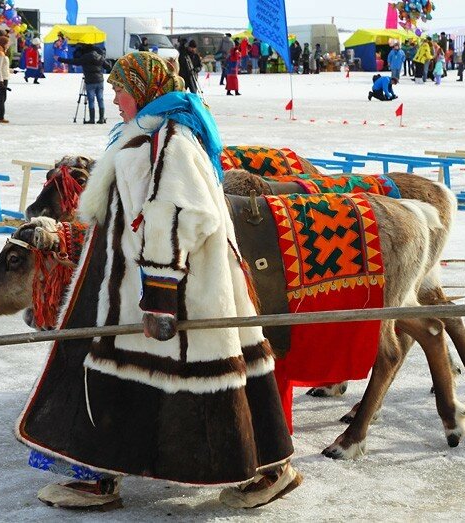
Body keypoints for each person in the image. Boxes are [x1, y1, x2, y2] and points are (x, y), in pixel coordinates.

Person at [17, 51, 300, 511]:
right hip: (132, 286)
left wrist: (160, 297)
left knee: (185, 373)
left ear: (143, 88)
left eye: (120, 88)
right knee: (128, 372)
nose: (113, 98)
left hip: (167, 290)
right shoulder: (149, 133)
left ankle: (269, 471)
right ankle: (100, 477)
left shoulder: (169, 140)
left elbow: (177, 217)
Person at [58, 43, 107, 124]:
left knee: (91, 100)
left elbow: (74, 61)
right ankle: (101, 118)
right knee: (100, 99)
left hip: (90, 81)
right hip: (100, 81)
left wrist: (60, 59)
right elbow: (108, 66)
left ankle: (92, 119)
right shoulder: (99, 56)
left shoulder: (85, 57)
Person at [0, 35, 10, 123]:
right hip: (2, 79)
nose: (8, 45)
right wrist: (0, 81)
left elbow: (4, 67)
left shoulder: (3, 52)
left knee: (3, 98)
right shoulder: (0, 53)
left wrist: (12, 70)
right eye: (7, 43)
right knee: (1, 98)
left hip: (5, 77)